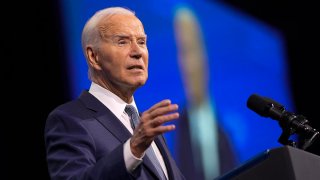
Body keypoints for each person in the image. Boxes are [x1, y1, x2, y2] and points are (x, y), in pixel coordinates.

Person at [44, 7, 185, 180]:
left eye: (141, 42)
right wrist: (133, 149)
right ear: (94, 57)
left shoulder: (145, 128)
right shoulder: (69, 120)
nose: (138, 52)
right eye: (122, 42)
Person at [173, 6, 238, 180]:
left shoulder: (225, 127)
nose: (189, 65)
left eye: (192, 50)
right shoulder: (173, 129)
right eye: (182, 53)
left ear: (204, 54)